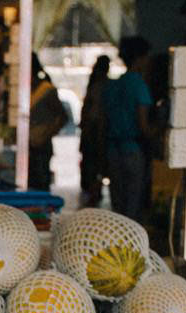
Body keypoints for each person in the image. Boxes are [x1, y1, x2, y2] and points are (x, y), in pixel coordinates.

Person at [104, 36, 155, 221]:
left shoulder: (112, 85)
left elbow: (104, 121)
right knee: (133, 204)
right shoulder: (138, 84)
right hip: (132, 149)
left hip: (112, 150)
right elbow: (143, 124)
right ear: (140, 58)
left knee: (118, 202)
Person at [27, 56, 69, 193]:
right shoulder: (24, 90)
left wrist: (45, 136)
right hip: (28, 146)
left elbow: (63, 117)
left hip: (42, 146)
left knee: (40, 184)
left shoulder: (46, 90)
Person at [78, 55, 111, 209]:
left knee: (92, 167)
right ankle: (93, 194)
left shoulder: (95, 86)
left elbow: (87, 113)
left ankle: (93, 194)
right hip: (96, 132)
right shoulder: (103, 86)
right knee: (96, 167)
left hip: (92, 132)